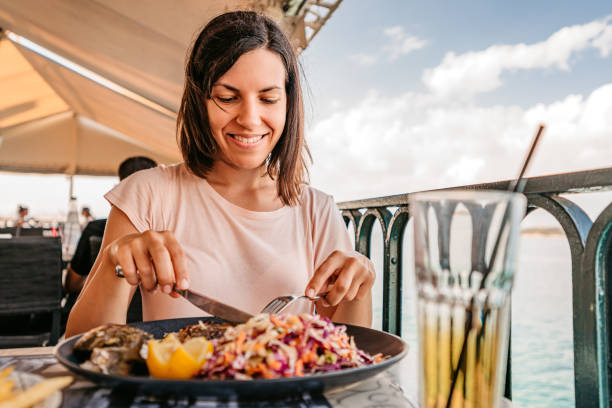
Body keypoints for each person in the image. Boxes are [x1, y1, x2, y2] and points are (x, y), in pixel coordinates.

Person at [66, 11, 375, 337]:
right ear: (200, 101)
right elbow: (78, 343)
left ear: (288, 104)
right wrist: (116, 264)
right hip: (178, 387)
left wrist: (361, 283)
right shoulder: (148, 193)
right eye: (228, 97)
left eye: (268, 98)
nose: (250, 119)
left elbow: (349, 351)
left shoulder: (318, 210)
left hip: (285, 388)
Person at [64, 156, 158, 294]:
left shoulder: (95, 230)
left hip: (102, 310)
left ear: (121, 187)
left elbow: (72, 286)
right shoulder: (165, 234)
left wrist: (99, 280)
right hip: (157, 314)